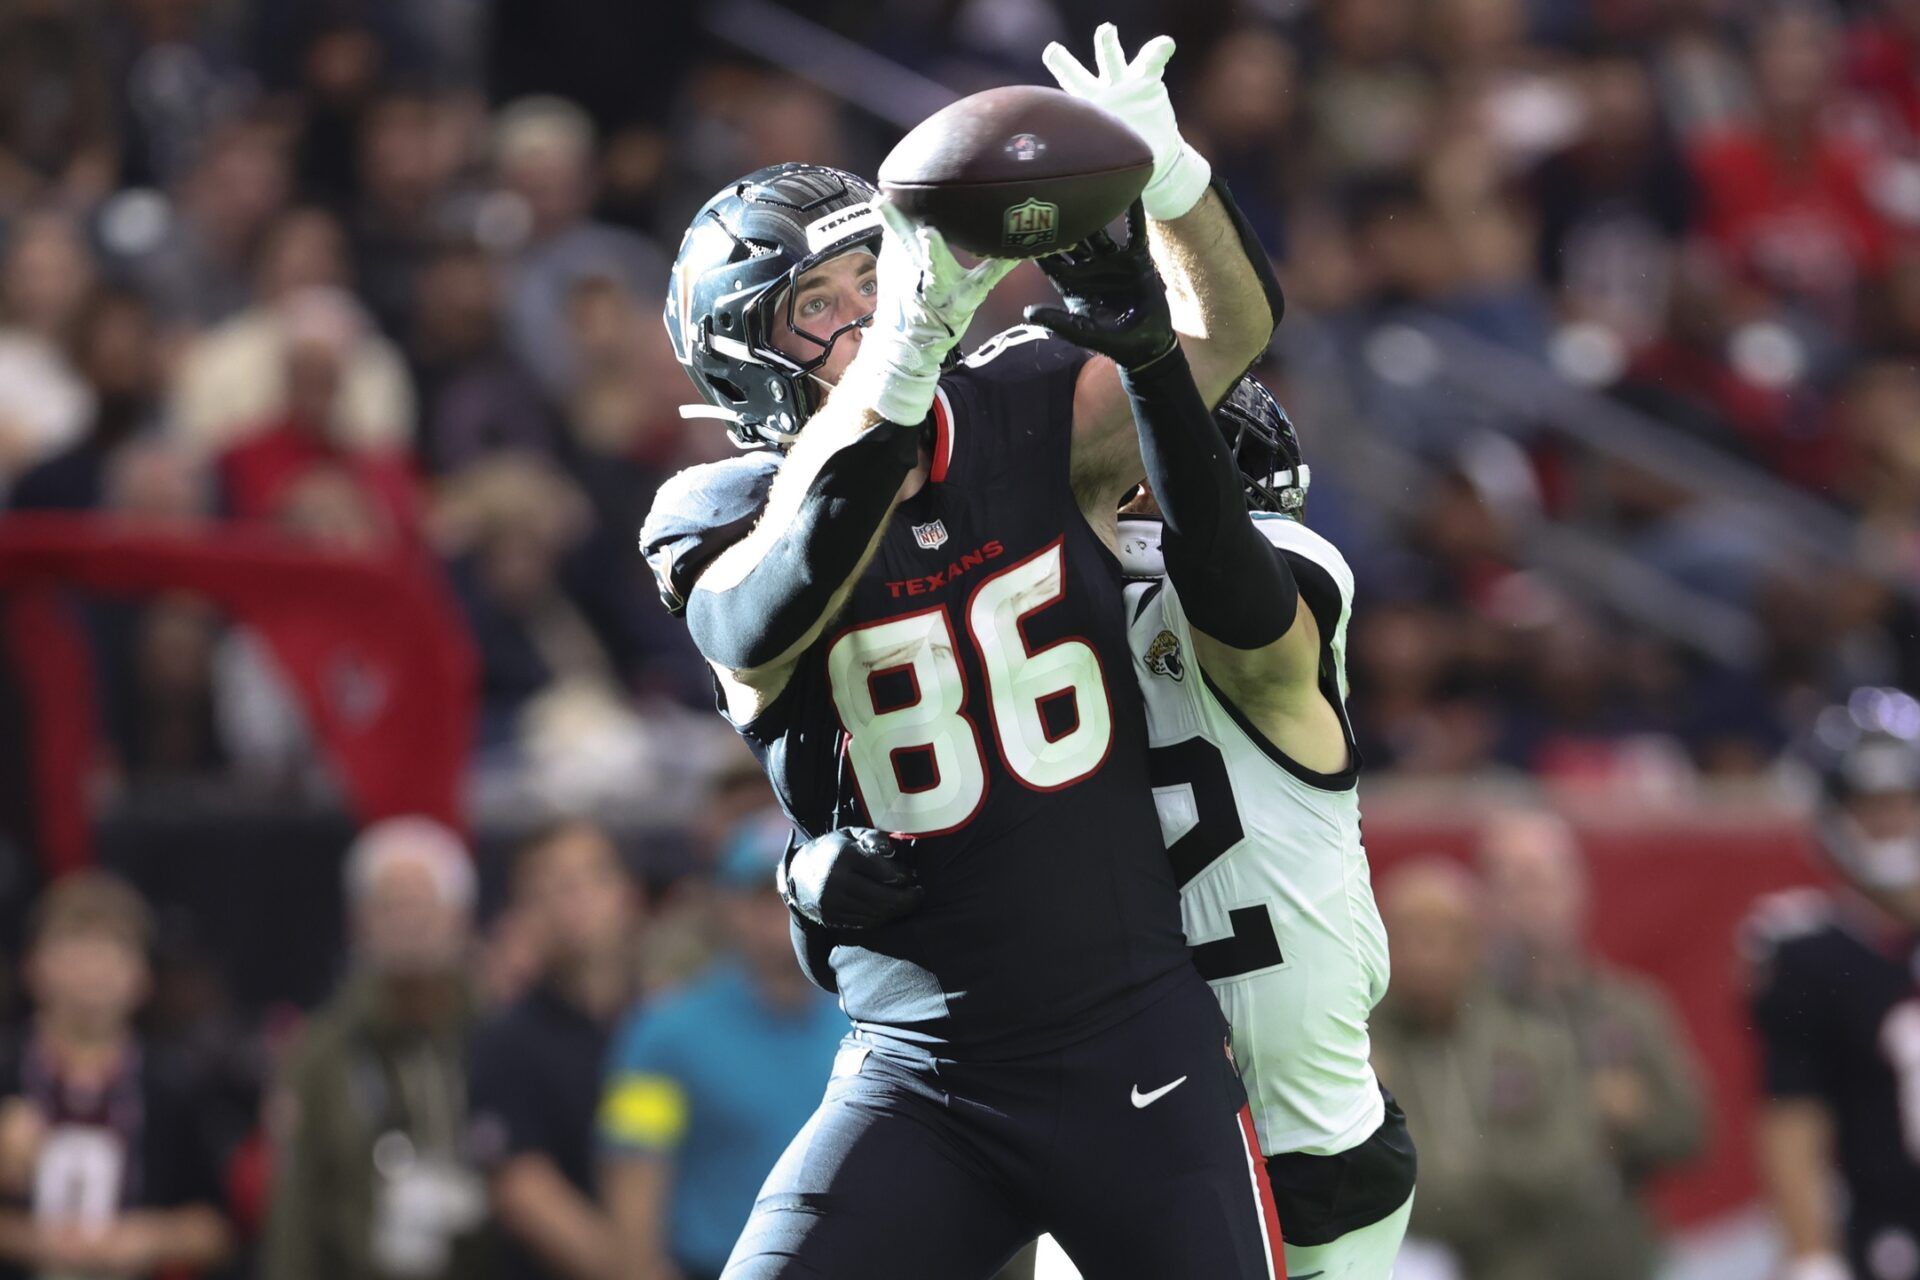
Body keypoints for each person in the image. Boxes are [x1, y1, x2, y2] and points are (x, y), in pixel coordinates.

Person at [639, 25, 1286, 1278]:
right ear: (744, 365)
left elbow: (1228, 335)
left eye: (871, 275)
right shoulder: (718, 512)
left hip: (1134, 1041)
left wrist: (1172, 181)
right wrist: (893, 370)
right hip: (925, 1071)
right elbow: (761, 614)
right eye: (816, 308)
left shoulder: (1025, 402)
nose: (870, 312)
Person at [1031, 213, 1414, 1277]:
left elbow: (1232, 597)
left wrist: (1156, 369)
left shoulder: (1281, 568)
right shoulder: (1047, 615)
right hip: (1130, 1127)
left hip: (1293, 1146)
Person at [597, 813, 845, 1280]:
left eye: (802, 891)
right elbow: (633, 1211)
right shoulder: (662, 1037)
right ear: (729, 907)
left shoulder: (872, 1026)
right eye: (765, 896)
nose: (787, 911)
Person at [1371, 859, 1636, 1280]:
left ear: (1475, 944)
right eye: (1407, 937)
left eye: (1440, 936)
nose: (1423, 955)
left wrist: (1461, 1188)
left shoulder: (1531, 1041)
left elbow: (1569, 1160)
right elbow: (1371, 1181)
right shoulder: (1359, 1052)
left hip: (1521, 1259)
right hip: (1396, 1256)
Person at [1479, 808, 1707, 1278]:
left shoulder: (1629, 1006)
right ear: (1490, 898)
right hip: (1511, 1257)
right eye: (1515, 881)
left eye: (1545, 879)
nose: (1533, 898)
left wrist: (1639, 1115)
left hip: (1620, 1249)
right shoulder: (1467, 1017)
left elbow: (1692, 1129)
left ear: (1578, 887)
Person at [263, 817, 488, 1280]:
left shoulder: (498, 1038)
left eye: (423, 903)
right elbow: (296, 1204)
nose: (408, 921)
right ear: (358, 923)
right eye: (389, 906)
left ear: (461, 919)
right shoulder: (320, 1051)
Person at [1744, 687, 1920, 1280]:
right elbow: (1792, 1113)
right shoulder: (1808, 953)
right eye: (1871, 804)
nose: (1891, 821)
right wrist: (1811, 1254)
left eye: (1905, 801)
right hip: (1883, 1232)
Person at [0, 872, 235, 1280]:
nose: (92, 971)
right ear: (32, 967)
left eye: (110, 951)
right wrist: (26, 1237)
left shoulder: (173, 1087)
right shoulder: (9, 1075)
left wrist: (147, 1238)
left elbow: (217, 1228)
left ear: (142, 978)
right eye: (74, 949)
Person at [469, 819, 642, 1280]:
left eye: (591, 878)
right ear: (521, 915)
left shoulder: (669, 1028)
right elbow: (526, 1195)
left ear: (628, 895)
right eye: (548, 887)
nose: (574, 899)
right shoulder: (504, 1044)